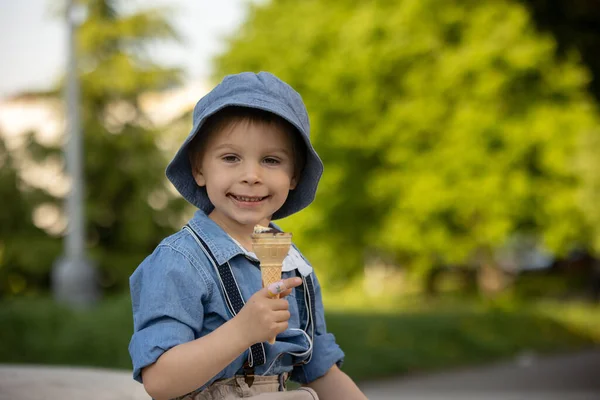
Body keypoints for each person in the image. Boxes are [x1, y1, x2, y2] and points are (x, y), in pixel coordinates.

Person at [128, 72, 368, 400]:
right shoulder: (179, 261)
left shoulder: (295, 267)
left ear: (294, 175)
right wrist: (242, 332)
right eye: (231, 158)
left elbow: (319, 369)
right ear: (199, 168)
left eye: (271, 160)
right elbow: (160, 381)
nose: (251, 176)